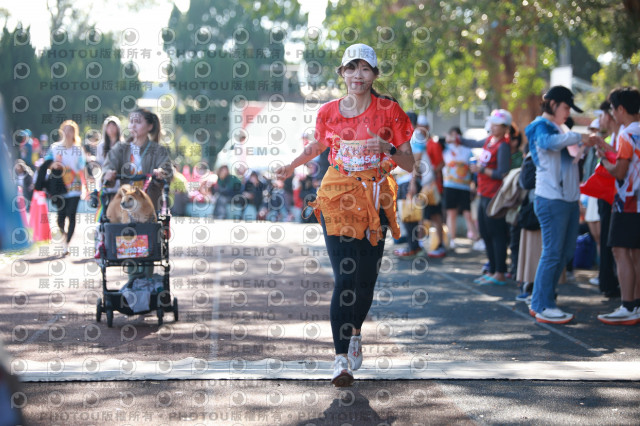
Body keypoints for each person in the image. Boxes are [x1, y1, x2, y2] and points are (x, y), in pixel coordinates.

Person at [275, 43, 414, 387]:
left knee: (365, 280)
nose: (357, 75)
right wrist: (290, 166)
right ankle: (340, 360)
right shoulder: (328, 112)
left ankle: (354, 334)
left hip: (375, 198)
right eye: (351, 68)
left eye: (364, 68)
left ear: (374, 74)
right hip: (337, 196)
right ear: (342, 73)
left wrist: (388, 148)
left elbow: (410, 163)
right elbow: (318, 145)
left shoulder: (390, 111)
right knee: (344, 276)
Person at [525, 86, 597, 324]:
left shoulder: (562, 128)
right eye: (566, 107)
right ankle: (542, 304)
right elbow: (547, 143)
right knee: (553, 253)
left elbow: (569, 156)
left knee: (563, 253)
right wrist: (579, 137)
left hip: (567, 199)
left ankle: (543, 301)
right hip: (551, 199)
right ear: (553, 104)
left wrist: (583, 143)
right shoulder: (539, 126)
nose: (568, 113)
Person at [597, 87, 640, 325]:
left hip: (628, 201)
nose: (612, 114)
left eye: (613, 109)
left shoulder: (626, 133)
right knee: (636, 254)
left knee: (620, 251)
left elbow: (621, 170)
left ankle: (628, 305)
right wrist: (608, 150)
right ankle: (636, 305)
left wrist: (604, 161)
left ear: (621, 109)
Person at [468, 109, 512, 286]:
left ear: (505, 127)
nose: (493, 127)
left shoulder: (503, 146)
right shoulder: (489, 140)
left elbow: (502, 173)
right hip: (483, 193)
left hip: (495, 196)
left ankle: (500, 272)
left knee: (497, 234)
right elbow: (471, 143)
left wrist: (481, 170)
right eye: (492, 123)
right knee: (485, 233)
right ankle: (492, 270)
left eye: (497, 124)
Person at [102, 109, 172, 211]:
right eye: (131, 122)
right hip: (126, 204)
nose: (133, 126)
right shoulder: (120, 148)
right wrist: (108, 173)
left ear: (150, 126)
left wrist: (161, 172)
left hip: (150, 205)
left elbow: (166, 169)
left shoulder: (158, 150)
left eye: (138, 122)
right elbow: (109, 165)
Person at [43, 120, 88, 256]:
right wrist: (54, 165)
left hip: (74, 185)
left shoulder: (78, 149)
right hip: (59, 186)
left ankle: (66, 243)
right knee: (61, 215)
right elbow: (47, 163)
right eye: (66, 130)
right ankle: (63, 235)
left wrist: (87, 186)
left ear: (75, 133)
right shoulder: (55, 147)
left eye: (71, 130)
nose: (68, 133)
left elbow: (82, 168)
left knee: (72, 213)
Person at [595, 100, 621, 297]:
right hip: (607, 196)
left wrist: (604, 156)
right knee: (608, 241)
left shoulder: (625, 135)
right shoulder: (614, 137)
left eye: (603, 114)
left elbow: (619, 166)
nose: (600, 119)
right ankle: (608, 282)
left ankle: (615, 285)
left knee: (618, 246)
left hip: (618, 198)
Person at [442, 126, 478, 250]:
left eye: (456, 135)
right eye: (451, 135)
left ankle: (476, 238)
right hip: (449, 185)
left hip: (464, 186)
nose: (454, 138)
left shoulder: (467, 150)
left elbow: (473, 167)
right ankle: (451, 239)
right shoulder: (445, 148)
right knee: (451, 213)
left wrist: (474, 184)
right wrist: (447, 139)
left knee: (467, 213)